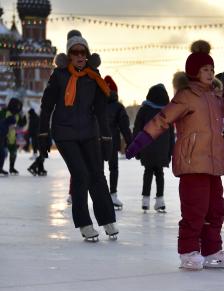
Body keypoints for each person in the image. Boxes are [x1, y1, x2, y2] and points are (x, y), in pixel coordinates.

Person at [126, 40, 224, 270]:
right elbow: (162, 120)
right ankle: (188, 251)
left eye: (211, 69)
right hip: (192, 162)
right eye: (205, 69)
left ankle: (211, 250)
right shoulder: (186, 97)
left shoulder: (216, 99)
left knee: (216, 209)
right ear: (194, 72)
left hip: (214, 163)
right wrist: (139, 142)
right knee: (194, 209)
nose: (210, 73)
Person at [39, 30, 118, 241]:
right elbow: (46, 106)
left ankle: (108, 220)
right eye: (75, 52)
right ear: (69, 55)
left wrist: (107, 137)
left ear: (88, 54)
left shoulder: (94, 76)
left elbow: (101, 111)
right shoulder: (60, 75)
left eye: (83, 52)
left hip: (89, 132)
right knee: (81, 175)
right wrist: (42, 133)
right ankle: (84, 222)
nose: (80, 56)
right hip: (65, 134)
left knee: (97, 175)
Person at [133, 84, 174, 212]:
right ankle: (160, 201)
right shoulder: (167, 112)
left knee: (148, 172)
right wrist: (170, 150)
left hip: (146, 147)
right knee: (159, 173)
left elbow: (137, 129)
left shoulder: (144, 110)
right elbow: (171, 133)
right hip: (162, 148)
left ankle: (145, 200)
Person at [104, 75, 132, 210]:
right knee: (113, 168)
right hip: (112, 142)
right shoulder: (118, 107)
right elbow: (124, 128)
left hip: (95, 141)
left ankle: (99, 196)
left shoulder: (95, 105)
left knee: (95, 170)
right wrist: (131, 144)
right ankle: (113, 195)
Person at [0, 98, 26, 175]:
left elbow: (21, 124)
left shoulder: (17, 115)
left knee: (13, 153)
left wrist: (23, 116)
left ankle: (11, 168)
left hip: (12, 136)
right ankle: (0, 168)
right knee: (3, 153)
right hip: (3, 136)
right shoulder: (4, 112)